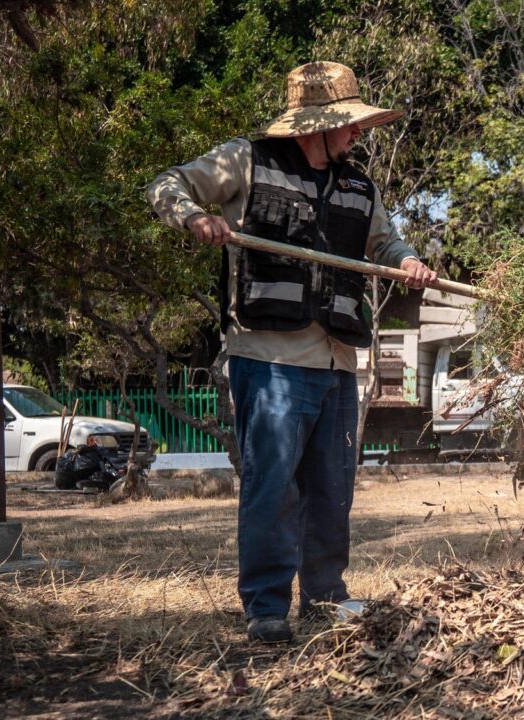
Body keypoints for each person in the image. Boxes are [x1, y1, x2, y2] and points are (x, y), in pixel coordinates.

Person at [147, 62, 437, 644]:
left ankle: (326, 598)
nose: (357, 134)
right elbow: (165, 186)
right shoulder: (246, 160)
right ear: (317, 126)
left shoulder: (360, 187)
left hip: (338, 360)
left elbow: (385, 241)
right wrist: (195, 217)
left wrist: (406, 259)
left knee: (332, 489)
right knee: (273, 486)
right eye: (350, 124)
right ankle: (267, 608)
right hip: (270, 357)